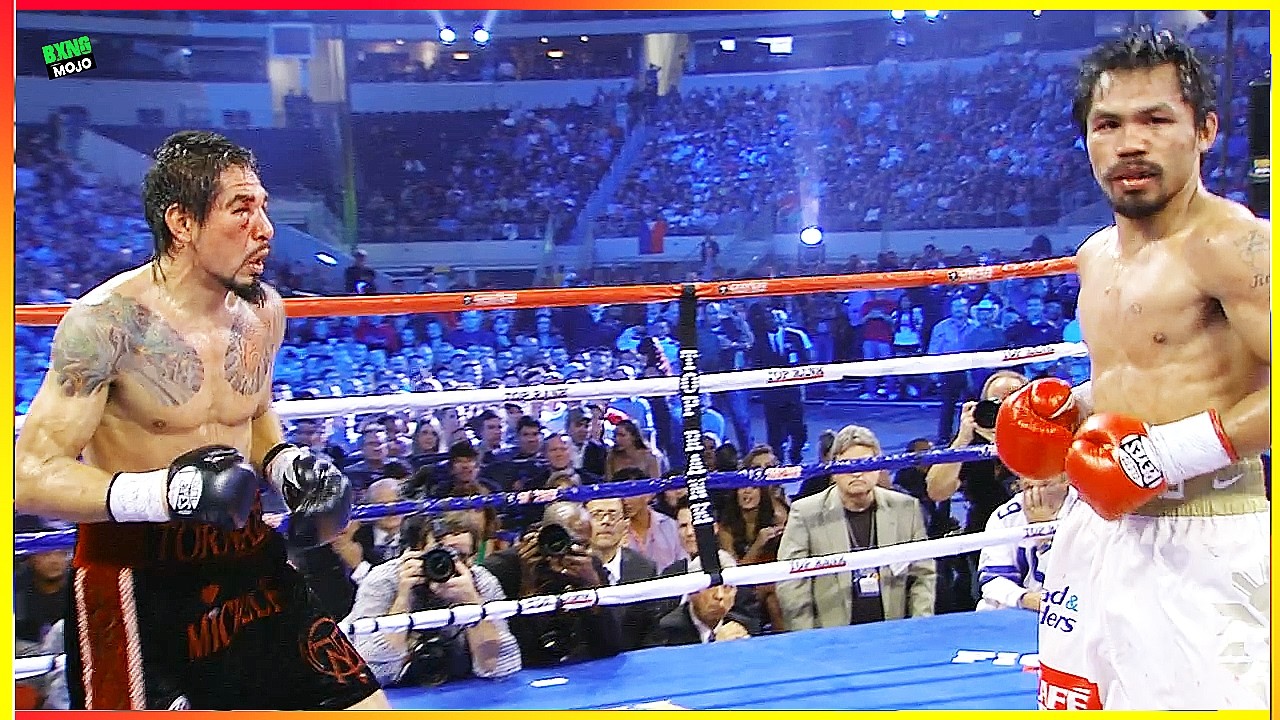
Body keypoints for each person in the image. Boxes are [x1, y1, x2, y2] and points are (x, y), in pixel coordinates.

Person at [13, 131, 389, 710]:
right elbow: (30, 474)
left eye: (262, 206)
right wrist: (166, 493)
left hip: (247, 556)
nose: (265, 228)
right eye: (242, 210)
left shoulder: (262, 310)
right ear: (182, 223)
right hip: (138, 576)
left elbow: (253, 411)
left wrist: (285, 463)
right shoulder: (107, 324)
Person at [995, 30, 1269, 709]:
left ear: (1204, 131)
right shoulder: (1095, 255)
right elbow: (1146, 372)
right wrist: (1075, 406)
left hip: (1208, 536)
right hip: (1094, 530)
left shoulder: (1235, 244)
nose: (1130, 143)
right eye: (1108, 124)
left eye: (1155, 120)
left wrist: (1169, 454)